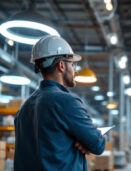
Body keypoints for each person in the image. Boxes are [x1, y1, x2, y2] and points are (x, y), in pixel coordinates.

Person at [14, 35, 106, 171]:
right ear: (61, 65)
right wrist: (91, 139)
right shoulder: (67, 102)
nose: (75, 70)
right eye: (73, 64)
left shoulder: (23, 109)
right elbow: (98, 145)